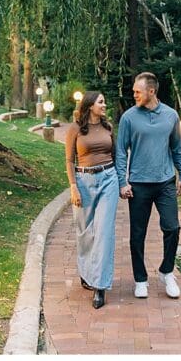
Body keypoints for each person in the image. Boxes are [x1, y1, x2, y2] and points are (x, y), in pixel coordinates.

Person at [114, 71, 181, 300]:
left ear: (151, 91)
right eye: (134, 91)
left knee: (172, 228)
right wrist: (122, 182)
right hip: (138, 185)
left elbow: (177, 147)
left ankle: (167, 272)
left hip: (165, 182)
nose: (134, 94)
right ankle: (140, 279)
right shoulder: (129, 117)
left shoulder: (170, 115)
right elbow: (120, 152)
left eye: (138, 91)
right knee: (137, 235)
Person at [64, 91, 118, 309]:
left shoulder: (108, 128)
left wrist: (121, 181)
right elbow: (69, 160)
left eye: (104, 102)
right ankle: (87, 274)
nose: (104, 105)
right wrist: (73, 187)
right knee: (85, 232)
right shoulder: (75, 128)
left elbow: (115, 156)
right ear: (89, 105)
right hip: (84, 181)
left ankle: (100, 286)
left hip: (108, 178)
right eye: (101, 102)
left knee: (103, 232)